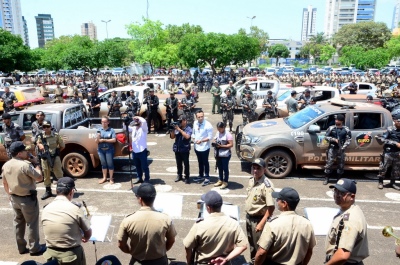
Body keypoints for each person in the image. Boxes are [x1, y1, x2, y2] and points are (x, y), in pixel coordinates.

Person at [2, 141, 46, 256]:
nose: (27, 152)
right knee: (32, 223)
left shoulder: (6, 165)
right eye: (25, 150)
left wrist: (9, 196)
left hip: (14, 198)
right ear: (19, 153)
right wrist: (36, 164)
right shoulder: (25, 165)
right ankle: (34, 248)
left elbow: (5, 183)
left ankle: (21, 247)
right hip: (27, 199)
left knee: (18, 223)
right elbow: (39, 178)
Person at [117, 183, 177, 265]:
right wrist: (162, 251)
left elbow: (121, 244)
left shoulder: (128, 220)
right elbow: (171, 240)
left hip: (138, 261)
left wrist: (131, 251)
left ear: (140, 199)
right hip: (160, 261)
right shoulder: (166, 219)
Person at [254, 187, 316, 265]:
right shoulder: (307, 224)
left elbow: (261, 252)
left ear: (284, 204)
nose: (276, 201)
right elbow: (309, 251)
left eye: (278, 199)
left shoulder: (273, 224)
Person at [183, 191, 248, 264]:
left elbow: (188, 246)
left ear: (208, 208)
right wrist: (226, 259)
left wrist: (189, 262)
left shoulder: (200, 225)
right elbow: (243, 246)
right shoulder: (233, 223)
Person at [41, 177, 92, 265]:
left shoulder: (46, 208)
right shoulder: (75, 209)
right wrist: (85, 238)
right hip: (71, 256)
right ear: (72, 192)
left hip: (51, 255)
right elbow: (88, 233)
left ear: (56, 191)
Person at [325, 178, 369, 264]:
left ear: (352, 197)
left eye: (342, 193)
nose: (337, 195)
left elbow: (343, 255)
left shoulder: (350, 219)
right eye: (335, 191)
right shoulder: (349, 209)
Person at [245, 158, 275, 264]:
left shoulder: (267, 186)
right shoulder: (251, 180)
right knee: (251, 243)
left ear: (264, 170)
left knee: (260, 246)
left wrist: (262, 223)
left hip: (258, 220)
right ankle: (253, 261)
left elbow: (271, 207)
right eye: (254, 168)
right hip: (249, 217)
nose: (255, 171)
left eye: (258, 168)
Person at [36, 121, 65, 200]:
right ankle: (48, 191)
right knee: (46, 174)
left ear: (51, 126)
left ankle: (62, 191)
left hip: (55, 157)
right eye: (44, 127)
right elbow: (38, 143)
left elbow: (62, 146)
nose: (46, 128)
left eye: (47, 126)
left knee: (59, 174)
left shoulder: (55, 135)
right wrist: (40, 144)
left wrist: (56, 153)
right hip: (45, 158)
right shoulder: (41, 136)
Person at [323, 114, 352, 185]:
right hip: (332, 148)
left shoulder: (346, 129)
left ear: (341, 121)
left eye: (338, 120)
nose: (336, 121)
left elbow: (349, 139)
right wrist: (333, 139)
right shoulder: (331, 128)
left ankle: (338, 179)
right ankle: (326, 178)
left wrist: (343, 147)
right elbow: (326, 137)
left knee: (341, 164)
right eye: (336, 119)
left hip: (341, 149)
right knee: (329, 163)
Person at [376, 112, 400, 190]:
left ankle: (392, 183)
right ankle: (380, 182)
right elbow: (382, 139)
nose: (399, 123)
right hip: (388, 153)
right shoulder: (390, 129)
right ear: (395, 121)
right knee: (383, 168)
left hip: (398, 153)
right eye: (398, 121)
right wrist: (395, 143)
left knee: (396, 170)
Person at [192, 110, 213, 186]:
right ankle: (201, 175)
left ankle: (207, 177)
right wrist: (193, 139)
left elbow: (210, 137)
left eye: (202, 116)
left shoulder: (208, 125)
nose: (201, 118)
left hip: (204, 147)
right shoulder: (195, 123)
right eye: (199, 117)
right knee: (199, 162)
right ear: (196, 117)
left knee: (205, 162)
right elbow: (194, 133)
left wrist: (201, 141)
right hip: (197, 147)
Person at [170, 115, 192, 184]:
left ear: (185, 121)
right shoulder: (177, 128)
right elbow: (172, 137)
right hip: (178, 149)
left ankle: (187, 177)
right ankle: (179, 175)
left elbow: (187, 137)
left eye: (181, 121)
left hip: (185, 149)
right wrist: (173, 129)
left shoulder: (188, 128)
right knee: (178, 163)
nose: (179, 122)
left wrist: (179, 130)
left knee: (186, 164)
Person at [128, 116, 150, 184]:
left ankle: (146, 179)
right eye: (135, 121)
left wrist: (137, 117)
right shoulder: (133, 128)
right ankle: (139, 177)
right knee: (137, 166)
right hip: (134, 151)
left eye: (137, 121)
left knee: (144, 166)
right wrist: (125, 122)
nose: (136, 122)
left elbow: (144, 121)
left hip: (142, 150)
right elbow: (126, 128)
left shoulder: (143, 129)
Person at [96, 116, 117, 184]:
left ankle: (111, 178)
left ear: (108, 122)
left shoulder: (111, 130)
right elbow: (96, 142)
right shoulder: (99, 130)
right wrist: (98, 137)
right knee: (103, 164)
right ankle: (104, 178)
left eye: (105, 122)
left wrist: (104, 140)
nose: (104, 123)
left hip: (109, 150)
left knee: (110, 164)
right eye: (102, 122)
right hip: (100, 150)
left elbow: (114, 140)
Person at [213, 122, 233, 189]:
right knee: (220, 167)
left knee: (225, 168)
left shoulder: (228, 134)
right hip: (218, 153)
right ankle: (220, 180)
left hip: (225, 154)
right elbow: (215, 139)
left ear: (223, 127)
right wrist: (215, 142)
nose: (219, 130)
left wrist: (222, 146)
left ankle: (225, 181)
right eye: (218, 129)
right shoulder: (218, 132)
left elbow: (231, 144)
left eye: (220, 129)